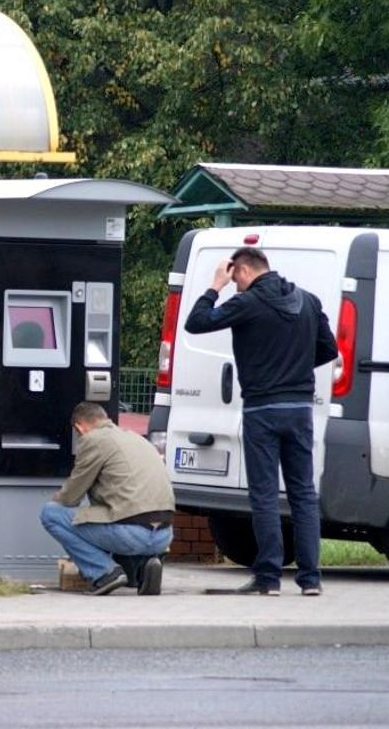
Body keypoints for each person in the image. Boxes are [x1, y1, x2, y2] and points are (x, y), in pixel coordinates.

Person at [184, 247, 337, 596]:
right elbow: (328, 349)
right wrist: (294, 369)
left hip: (262, 411)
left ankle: (268, 578)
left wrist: (214, 286)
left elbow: (196, 322)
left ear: (242, 271)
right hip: (299, 409)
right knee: (303, 494)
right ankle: (310, 579)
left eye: (234, 277)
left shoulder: (247, 302)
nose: (234, 284)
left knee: (265, 495)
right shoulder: (308, 301)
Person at [39, 402, 175, 596]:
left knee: (51, 514)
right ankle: (144, 567)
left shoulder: (94, 440)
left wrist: (57, 499)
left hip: (131, 535)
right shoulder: (138, 439)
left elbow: (70, 497)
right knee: (120, 513)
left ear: (79, 427)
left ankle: (104, 572)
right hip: (164, 535)